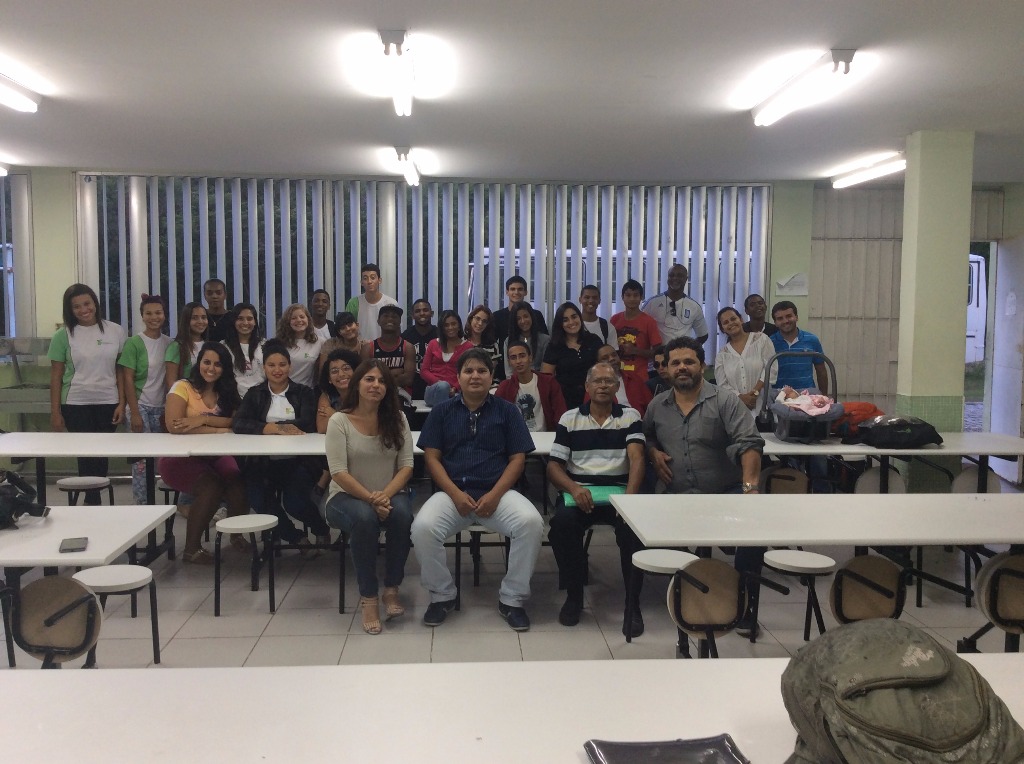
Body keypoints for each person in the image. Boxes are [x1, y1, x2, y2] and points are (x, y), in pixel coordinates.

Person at [411, 349, 542, 631]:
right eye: (468, 371)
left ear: (491, 377)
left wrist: (495, 495)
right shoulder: (442, 412)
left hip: (498, 494)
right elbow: (431, 458)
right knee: (422, 527)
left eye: (482, 371)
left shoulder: (508, 411)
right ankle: (442, 594)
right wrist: (455, 494)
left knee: (531, 523)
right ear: (457, 377)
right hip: (452, 494)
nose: (475, 376)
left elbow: (518, 459)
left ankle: (512, 599)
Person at [643, 336, 765, 634]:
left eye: (689, 361)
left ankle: (744, 604)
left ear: (702, 366)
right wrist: (652, 452)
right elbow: (645, 437)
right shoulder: (658, 405)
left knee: (755, 528)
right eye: (675, 363)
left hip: (724, 492)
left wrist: (750, 488)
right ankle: (676, 594)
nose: (682, 367)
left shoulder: (725, 401)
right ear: (666, 369)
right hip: (675, 494)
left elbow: (750, 444)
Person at [547, 362, 646, 634]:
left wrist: (629, 500)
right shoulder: (570, 419)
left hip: (620, 493)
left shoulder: (629, 416)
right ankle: (574, 596)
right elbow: (554, 466)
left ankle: (632, 605)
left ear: (616, 387)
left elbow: (637, 459)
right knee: (562, 527)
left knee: (633, 534)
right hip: (581, 493)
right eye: (597, 381)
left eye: (609, 381)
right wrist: (573, 489)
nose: (603, 385)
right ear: (587, 387)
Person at [325, 361, 414, 635]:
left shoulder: (398, 419)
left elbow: (407, 465)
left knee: (402, 514)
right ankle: (369, 598)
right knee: (364, 518)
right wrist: (372, 500)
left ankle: (391, 588)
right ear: (357, 385)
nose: (376, 385)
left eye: (382, 381)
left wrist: (384, 496)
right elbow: (338, 472)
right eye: (369, 379)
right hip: (344, 498)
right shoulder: (339, 421)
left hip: (388, 494)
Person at [231, 341, 328, 556]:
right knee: (259, 500)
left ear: (290, 366)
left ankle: (321, 528)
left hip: (298, 461)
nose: (277, 370)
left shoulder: (303, 392)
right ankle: (297, 538)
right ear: (264, 368)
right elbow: (239, 423)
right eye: (271, 365)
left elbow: (308, 423)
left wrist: (277, 428)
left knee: (294, 502)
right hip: (262, 462)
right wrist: (268, 428)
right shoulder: (255, 393)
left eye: (282, 364)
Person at [159, 342, 248, 562]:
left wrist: (202, 419)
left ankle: (236, 536)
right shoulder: (182, 387)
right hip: (180, 458)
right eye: (206, 362)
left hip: (215, 456)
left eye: (217, 364)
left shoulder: (227, 391)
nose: (211, 368)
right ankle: (191, 549)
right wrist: (219, 428)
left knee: (238, 482)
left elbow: (237, 421)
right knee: (211, 486)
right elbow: (175, 426)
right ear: (198, 363)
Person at [48, 283, 126, 505]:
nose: (83, 310)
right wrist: (55, 412)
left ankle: (94, 498)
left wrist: (122, 403)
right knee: (85, 455)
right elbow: (55, 377)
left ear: (95, 304)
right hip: (75, 404)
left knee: (101, 455)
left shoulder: (115, 331)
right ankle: (91, 502)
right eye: (76, 306)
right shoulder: (62, 336)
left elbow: (120, 369)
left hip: (108, 402)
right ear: (69, 310)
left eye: (87, 304)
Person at [119, 294, 172, 504]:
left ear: (164, 315)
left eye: (158, 312)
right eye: (149, 313)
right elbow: (127, 378)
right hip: (140, 406)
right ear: (142, 316)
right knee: (141, 461)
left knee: (161, 459)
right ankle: (142, 503)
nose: (154, 317)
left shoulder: (170, 343)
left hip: (162, 408)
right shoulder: (134, 343)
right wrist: (133, 412)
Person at [611, 280, 661, 415]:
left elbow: (658, 352)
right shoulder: (614, 320)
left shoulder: (648, 322)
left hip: (639, 377)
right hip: (616, 376)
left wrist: (635, 351)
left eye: (635, 295)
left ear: (641, 298)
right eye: (628, 295)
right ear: (622, 297)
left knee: (638, 412)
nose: (632, 299)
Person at [541, 301, 603, 410]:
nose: (571, 322)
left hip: (595, 398)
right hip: (565, 402)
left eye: (574, 317)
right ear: (560, 324)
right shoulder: (554, 346)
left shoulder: (594, 340)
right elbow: (546, 379)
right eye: (565, 320)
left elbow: (604, 368)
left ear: (580, 317)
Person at [714, 306, 776, 411]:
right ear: (722, 329)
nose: (731, 323)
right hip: (735, 408)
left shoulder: (762, 340)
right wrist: (741, 398)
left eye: (733, 319)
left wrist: (754, 393)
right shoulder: (722, 355)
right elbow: (722, 384)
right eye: (725, 322)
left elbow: (771, 368)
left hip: (762, 406)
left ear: (741, 319)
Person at [496, 340, 566, 432]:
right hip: (516, 439)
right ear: (509, 362)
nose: (518, 361)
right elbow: (496, 416)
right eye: (513, 358)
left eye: (522, 356)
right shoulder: (504, 387)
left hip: (546, 437)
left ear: (530, 357)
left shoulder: (549, 382)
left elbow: (560, 413)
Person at [641, 264, 709, 345]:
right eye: (671, 275)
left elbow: (703, 335)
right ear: (667, 278)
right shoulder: (652, 303)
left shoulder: (694, 306)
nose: (675, 278)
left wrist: (690, 348)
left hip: (682, 356)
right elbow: (640, 328)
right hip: (659, 355)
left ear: (686, 279)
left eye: (680, 276)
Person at [770, 300, 827, 392]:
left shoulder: (812, 340)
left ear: (796, 317)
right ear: (775, 322)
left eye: (789, 316)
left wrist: (824, 397)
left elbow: (821, 371)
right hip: (778, 396)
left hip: (807, 395)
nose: (785, 321)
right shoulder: (769, 342)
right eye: (780, 318)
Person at [421, 310, 473, 406]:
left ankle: (440, 416)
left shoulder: (468, 346)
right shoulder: (433, 343)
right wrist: (441, 384)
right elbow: (424, 371)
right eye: (446, 325)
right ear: (442, 328)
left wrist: (455, 388)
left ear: (459, 326)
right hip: (433, 391)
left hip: (456, 392)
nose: (450, 328)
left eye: (453, 324)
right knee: (443, 386)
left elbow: (468, 371)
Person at [360, 304, 416, 391]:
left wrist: (380, 376)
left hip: (401, 394)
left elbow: (408, 380)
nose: (390, 319)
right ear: (378, 321)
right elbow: (367, 378)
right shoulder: (368, 348)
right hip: (375, 392)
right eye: (386, 316)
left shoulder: (408, 347)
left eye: (394, 316)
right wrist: (396, 372)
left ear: (400, 321)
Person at [274, 303, 324, 388]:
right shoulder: (279, 343)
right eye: (293, 318)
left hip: (307, 392)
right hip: (283, 390)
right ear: (287, 322)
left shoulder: (319, 342)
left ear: (308, 319)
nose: (299, 320)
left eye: (302, 317)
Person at [221, 302, 265, 398]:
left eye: (249, 319)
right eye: (240, 319)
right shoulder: (223, 346)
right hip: (233, 401)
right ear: (233, 321)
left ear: (255, 322)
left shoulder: (264, 345)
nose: (245, 323)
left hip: (262, 399)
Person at [345, 263, 398, 341]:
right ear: (361, 282)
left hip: (385, 348)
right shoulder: (354, 303)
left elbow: (397, 329)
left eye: (373, 278)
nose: (369, 281)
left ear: (379, 280)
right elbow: (347, 328)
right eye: (365, 278)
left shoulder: (391, 303)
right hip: (360, 349)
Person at [491, 275, 548, 345]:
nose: (516, 292)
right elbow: (492, 342)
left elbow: (544, 341)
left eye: (520, 289)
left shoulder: (536, 315)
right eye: (512, 289)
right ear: (507, 292)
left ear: (526, 292)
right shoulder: (497, 316)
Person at [316, 348, 362, 433]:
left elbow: (362, 426)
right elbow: (322, 428)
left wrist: (335, 414)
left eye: (346, 368)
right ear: (329, 379)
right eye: (334, 371)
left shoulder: (364, 393)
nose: (341, 374)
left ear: (356, 371)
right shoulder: (327, 396)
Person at [401, 298, 438, 400]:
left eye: (425, 310)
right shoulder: (405, 336)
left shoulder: (440, 335)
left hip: (435, 386)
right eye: (417, 311)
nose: (422, 313)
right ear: (412, 315)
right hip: (412, 389)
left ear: (432, 313)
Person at [165, 301, 208, 389]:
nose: (200, 321)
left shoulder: (208, 345)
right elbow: (171, 383)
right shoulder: (176, 347)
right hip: (185, 398)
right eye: (195, 318)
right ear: (186, 320)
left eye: (203, 317)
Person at [503, 301, 549, 373]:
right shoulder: (508, 341)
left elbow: (546, 371)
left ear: (532, 317)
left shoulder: (545, 340)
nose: (523, 321)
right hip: (515, 382)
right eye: (518, 318)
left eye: (526, 316)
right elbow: (509, 372)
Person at [465, 303, 503, 381]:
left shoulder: (493, 345)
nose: (480, 323)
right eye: (477, 319)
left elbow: (491, 372)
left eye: (484, 321)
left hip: (488, 384)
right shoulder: (461, 342)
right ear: (471, 319)